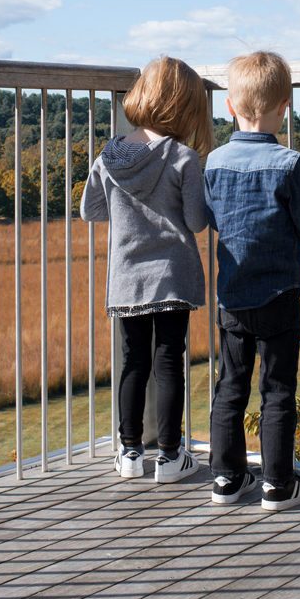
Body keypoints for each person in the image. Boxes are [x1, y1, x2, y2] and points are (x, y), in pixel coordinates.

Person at [204, 51, 300, 511]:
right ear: (285, 106)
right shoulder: (291, 163)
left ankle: (226, 477)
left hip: (233, 297)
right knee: (277, 389)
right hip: (279, 296)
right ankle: (278, 484)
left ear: (230, 109)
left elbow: (211, 218)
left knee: (230, 386)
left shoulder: (214, 162)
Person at [81, 57, 213, 482]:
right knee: (169, 360)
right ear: (184, 107)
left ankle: (130, 452)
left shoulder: (111, 155)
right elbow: (196, 221)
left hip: (127, 278)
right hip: (172, 277)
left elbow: (90, 210)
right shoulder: (183, 157)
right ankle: (172, 457)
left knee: (133, 362)